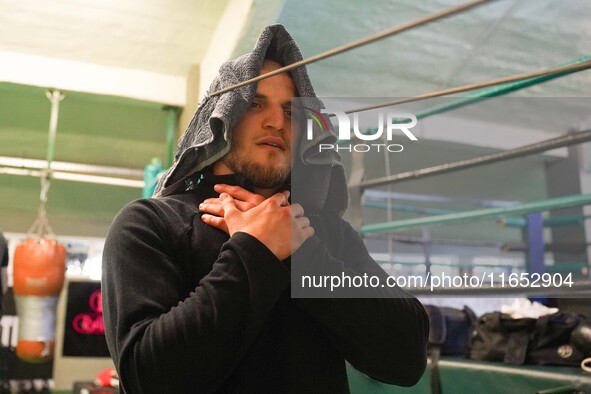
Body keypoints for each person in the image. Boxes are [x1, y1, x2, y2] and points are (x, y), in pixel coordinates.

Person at [102, 24, 428, 393]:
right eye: (256, 104)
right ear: (222, 117)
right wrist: (256, 249)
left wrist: (300, 253)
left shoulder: (326, 233)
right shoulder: (148, 224)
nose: (276, 122)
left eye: (291, 112)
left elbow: (406, 358)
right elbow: (149, 379)